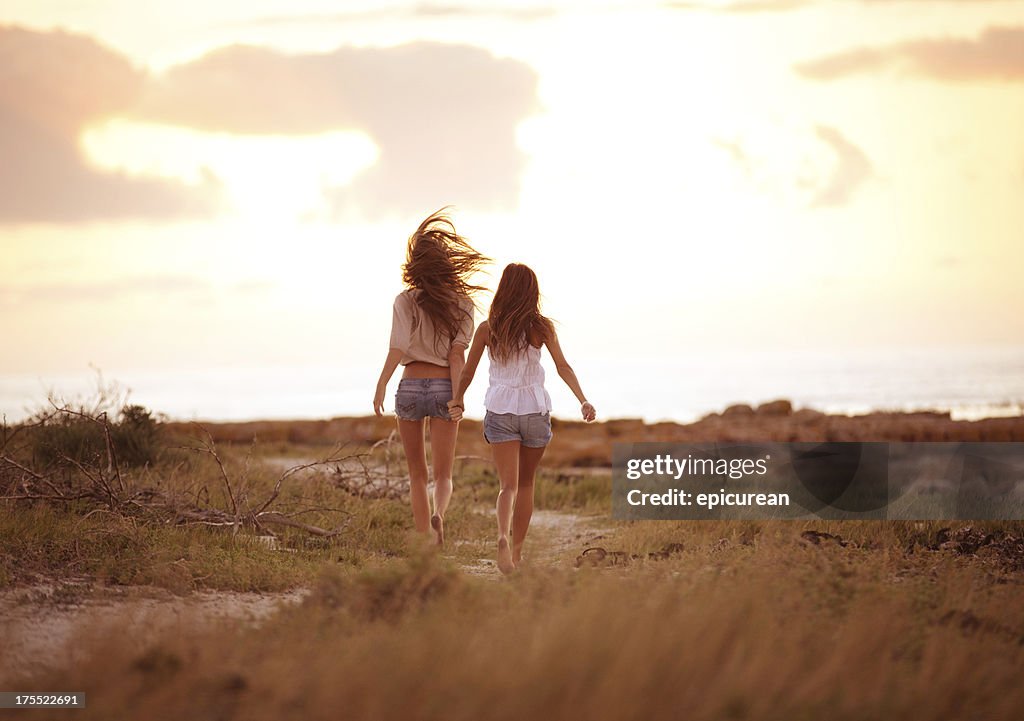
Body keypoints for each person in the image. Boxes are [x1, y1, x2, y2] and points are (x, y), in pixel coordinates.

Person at [448, 263, 595, 574]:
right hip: (534, 410)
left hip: (500, 409)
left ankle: (502, 536)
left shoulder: (488, 329)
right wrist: (582, 400)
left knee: (508, 486)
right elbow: (563, 367)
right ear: (532, 292)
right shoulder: (541, 328)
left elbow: (468, 370)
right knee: (527, 484)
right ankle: (516, 553)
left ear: (503, 289)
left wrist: (458, 399)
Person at [373, 209, 489, 546]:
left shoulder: (404, 301)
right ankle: (440, 512)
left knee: (416, 473)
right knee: (443, 474)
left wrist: (381, 383)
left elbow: (397, 347)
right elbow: (457, 356)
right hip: (443, 387)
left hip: (409, 385)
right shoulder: (464, 304)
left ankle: (424, 540)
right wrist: (458, 397)